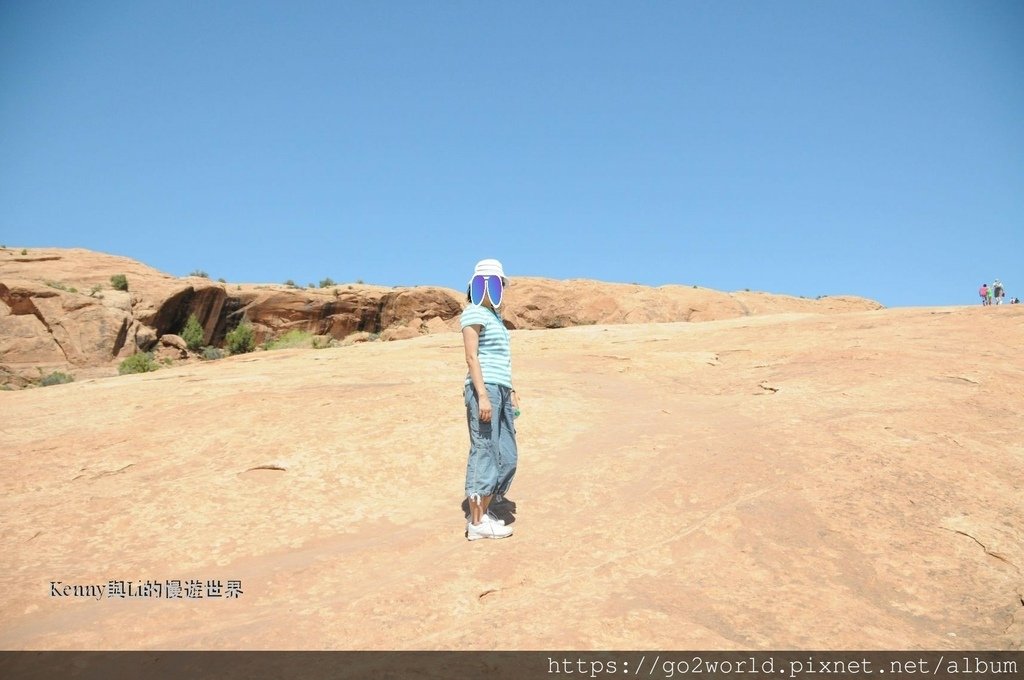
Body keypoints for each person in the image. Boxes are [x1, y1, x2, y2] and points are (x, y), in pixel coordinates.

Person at [460, 258, 520, 541]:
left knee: (507, 454)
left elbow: (501, 359)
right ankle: (477, 522)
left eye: (499, 284)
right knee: (484, 449)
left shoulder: (494, 318)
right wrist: (482, 395)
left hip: (502, 390)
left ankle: (490, 501)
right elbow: (472, 357)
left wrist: (512, 391)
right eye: (492, 283)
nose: (497, 289)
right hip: (484, 390)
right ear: (478, 286)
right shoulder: (473, 313)